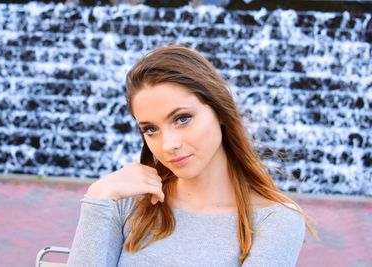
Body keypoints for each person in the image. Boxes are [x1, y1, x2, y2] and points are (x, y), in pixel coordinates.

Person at [67, 45, 315, 267]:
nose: (169, 145)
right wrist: (96, 198)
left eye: (182, 118)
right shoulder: (126, 203)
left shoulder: (275, 221)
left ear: (218, 111)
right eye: (150, 129)